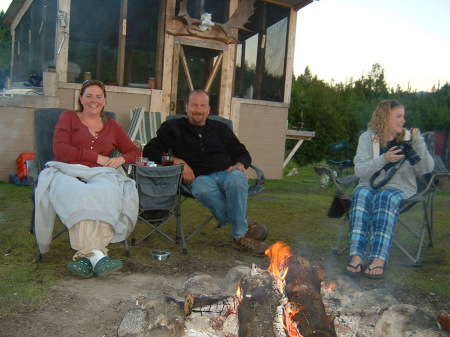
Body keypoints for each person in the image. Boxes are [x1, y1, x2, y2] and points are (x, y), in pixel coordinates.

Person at [143, 89, 269, 256]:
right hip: (198, 178)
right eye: (194, 105)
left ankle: (240, 234)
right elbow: (150, 151)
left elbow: (241, 152)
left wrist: (240, 164)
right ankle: (242, 231)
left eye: (203, 105)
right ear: (186, 107)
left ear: (209, 109)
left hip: (226, 173)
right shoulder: (173, 128)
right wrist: (177, 162)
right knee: (201, 188)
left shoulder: (221, 129)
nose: (198, 109)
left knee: (238, 177)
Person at [34, 80, 141, 278]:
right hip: (67, 170)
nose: (94, 100)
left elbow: (135, 151)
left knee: (106, 192)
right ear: (81, 99)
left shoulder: (111, 126)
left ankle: (87, 258)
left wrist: (120, 158)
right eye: (89, 96)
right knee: (79, 193)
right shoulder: (69, 118)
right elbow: (60, 150)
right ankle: (98, 256)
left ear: (105, 101)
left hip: (100, 173)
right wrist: (96, 157)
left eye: (99, 96)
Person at [346, 99, 434, 279]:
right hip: (370, 185)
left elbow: (425, 169)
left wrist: (419, 143)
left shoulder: (410, 139)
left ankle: (378, 258)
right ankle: (357, 255)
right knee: (361, 194)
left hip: (399, 188)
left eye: (403, 117)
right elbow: (360, 170)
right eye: (398, 116)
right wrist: (384, 158)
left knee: (384, 197)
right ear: (385, 117)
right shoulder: (367, 138)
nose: (403, 121)